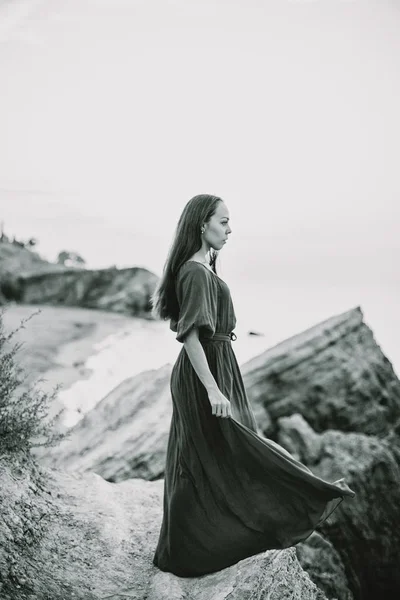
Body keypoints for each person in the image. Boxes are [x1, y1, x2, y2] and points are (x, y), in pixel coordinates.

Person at [150, 194, 355, 578]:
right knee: (222, 453)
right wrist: (212, 389)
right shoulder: (194, 272)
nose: (229, 230)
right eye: (223, 222)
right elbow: (191, 337)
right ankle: (194, 546)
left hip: (217, 365)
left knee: (225, 452)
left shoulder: (203, 268)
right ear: (202, 225)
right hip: (204, 372)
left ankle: (205, 537)